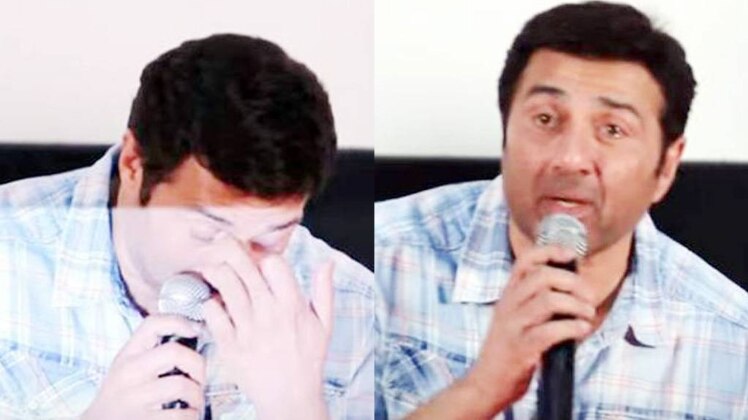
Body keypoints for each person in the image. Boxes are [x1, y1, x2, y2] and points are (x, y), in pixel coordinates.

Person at [374, 2, 748, 419]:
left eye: (612, 129)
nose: (570, 159)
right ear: (505, 133)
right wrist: (480, 391)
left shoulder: (733, 346)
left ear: (666, 166)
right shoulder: (379, 262)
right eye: (546, 119)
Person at [0, 34, 374, 419]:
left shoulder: (357, 308)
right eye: (207, 230)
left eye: (272, 235)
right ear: (134, 164)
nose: (233, 266)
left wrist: (297, 408)